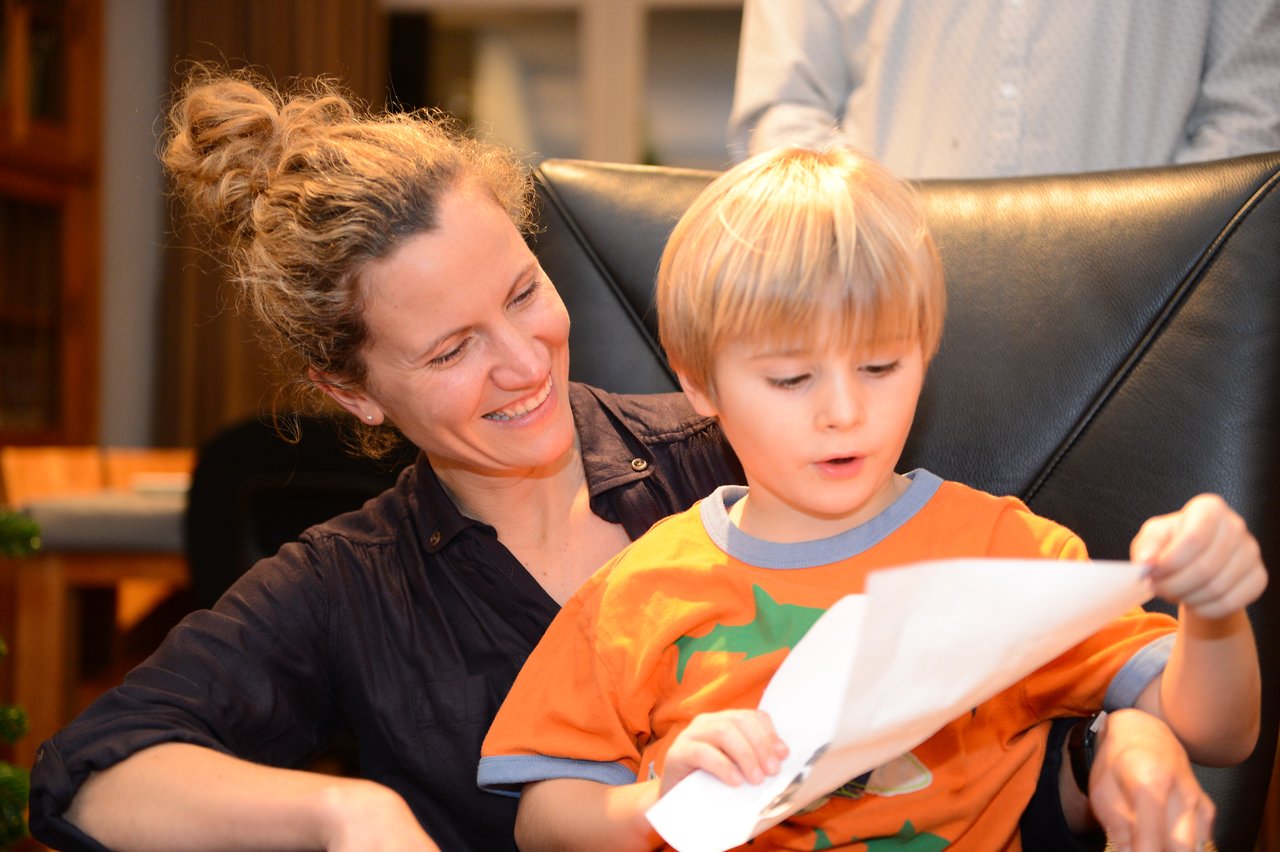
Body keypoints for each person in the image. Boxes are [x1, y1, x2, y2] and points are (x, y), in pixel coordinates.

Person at [26, 69, 1248, 851]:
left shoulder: (751, 443)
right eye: (453, 347)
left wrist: (1128, 735)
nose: (524, 362)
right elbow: (87, 776)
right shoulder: (352, 587)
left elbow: (1008, 644)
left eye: (523, 291)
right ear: (352, 389)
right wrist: (346, 812)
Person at [477, 146, 1265, 849]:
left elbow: (1215, 730)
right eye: (791, 379)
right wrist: (655, 801)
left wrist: (1216, 611)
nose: (844, 412)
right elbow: (544, 822)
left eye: (882, 368)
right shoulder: (636, 591)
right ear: (696, 381)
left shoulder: (999, 553)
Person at [727, 0, 1280, 177]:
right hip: (871, 319)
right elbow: (785, 112)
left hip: (1146, 331)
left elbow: (1250, 116)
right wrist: (861, 259)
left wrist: (1165, 268)